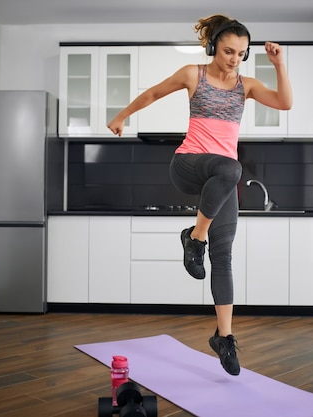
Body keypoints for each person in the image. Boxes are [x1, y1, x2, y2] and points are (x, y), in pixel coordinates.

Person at [107, 14, 292, 375]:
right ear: (213, 47)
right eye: (227, 51)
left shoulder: (247, 85)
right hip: (188, 166)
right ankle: (195, 237)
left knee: (223, 257)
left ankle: (224, 337)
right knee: (232, 168)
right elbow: (154, 93)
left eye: (241, 53)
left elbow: (284, 103)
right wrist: (122, 115)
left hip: (220, 180)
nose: (233, 59)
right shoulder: (195, 74)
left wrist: (279, 64)